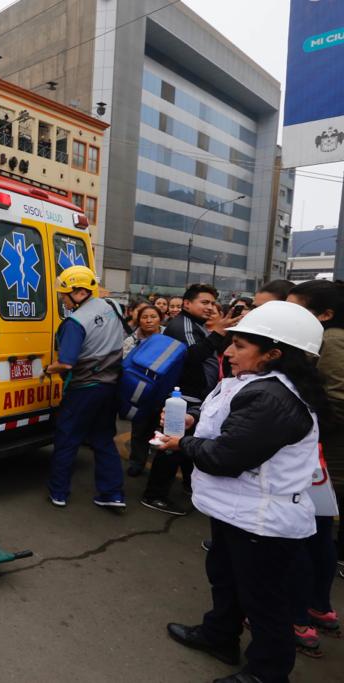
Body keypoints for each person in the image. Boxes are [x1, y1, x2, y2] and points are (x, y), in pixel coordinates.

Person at [158, 301, 325, 683]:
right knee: (226, 578)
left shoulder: (273, 398)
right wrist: (193, 420)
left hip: (262, 522)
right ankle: (219, 635)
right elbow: (228, 423)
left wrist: (180, 444)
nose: (228, 352)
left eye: (240, 346)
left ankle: (267, 673)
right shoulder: (257, 384)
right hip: (238, 510)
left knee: (264, 603)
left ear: (273, 354)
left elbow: (225, 456)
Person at [141, 284, 241, 516]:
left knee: (186, 444)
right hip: (181, 396)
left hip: (193, 397)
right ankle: (154, 494)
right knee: (170, 447)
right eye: (204, 302)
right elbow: (192, 357)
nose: (210, 308)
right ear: (187, 304)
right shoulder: (183, 325)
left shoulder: (195, 325)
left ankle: (188, 484)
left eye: (213, 304)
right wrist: (218, 333)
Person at [288, 279, 344, 639]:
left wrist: (294, 427)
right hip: (323, 458)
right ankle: (317, 607)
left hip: (324, 460)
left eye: (298, 308)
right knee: (319, 535)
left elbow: (337, 402)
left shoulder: (333, 342)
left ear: (324, 314)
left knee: (304, 537)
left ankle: (298, 618)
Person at [44, 266, 126, 509]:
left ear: (79, 292)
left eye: (64, 295)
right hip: (111, 386)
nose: (62, 299)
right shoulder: (112, 306)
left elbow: (67, 362)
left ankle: (58, 492)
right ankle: (112, 494)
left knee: (67, 438)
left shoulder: (75, 322)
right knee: (103, 439)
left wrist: (49, 369)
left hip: (84, 389)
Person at [123, 304, 164, 477]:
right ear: (138, 320)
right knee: (139, 429)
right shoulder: (131, 340)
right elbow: (124, 363)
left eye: (153, 317)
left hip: (164, 390)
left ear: (160, 319)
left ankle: (160, 467)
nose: (148, 320)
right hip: (140, 391)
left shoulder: (168, 337)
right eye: (144, 317)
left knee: (162, 430)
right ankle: (136, 462)